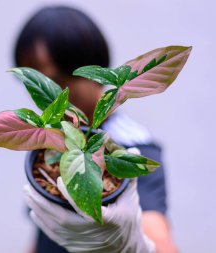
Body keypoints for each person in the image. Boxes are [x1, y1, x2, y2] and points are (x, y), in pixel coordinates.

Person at [13, 6, 178, 253]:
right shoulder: (55, 138)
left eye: (57, 83)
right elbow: (42, 233)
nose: (49, 100)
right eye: (33, 85)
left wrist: (130, 245)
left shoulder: (133, 146)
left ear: (92, 70)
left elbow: (162, 244)